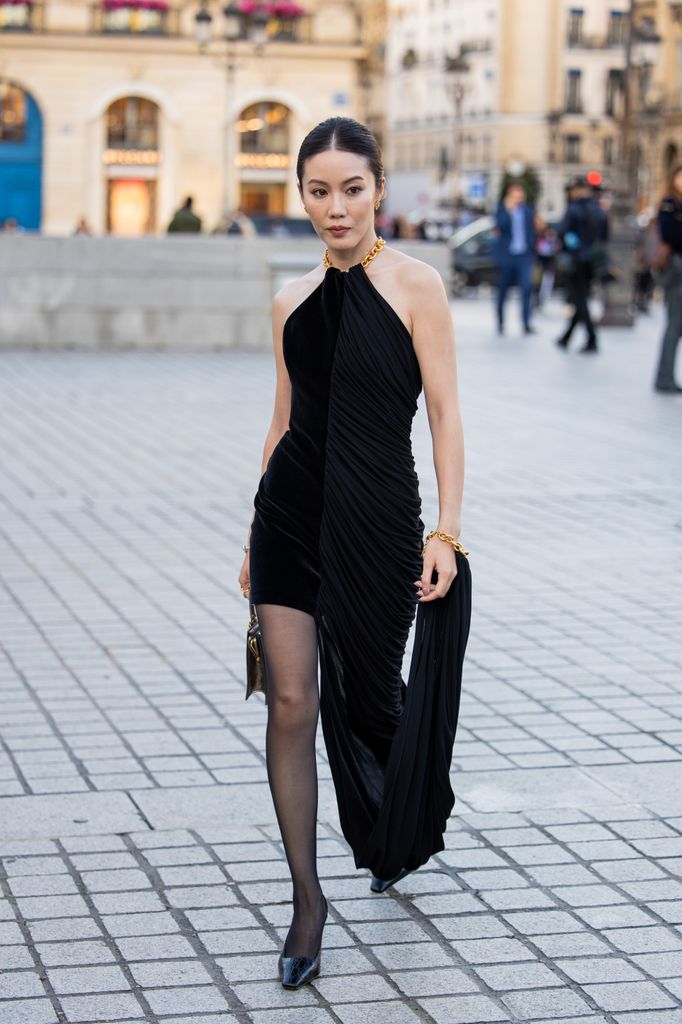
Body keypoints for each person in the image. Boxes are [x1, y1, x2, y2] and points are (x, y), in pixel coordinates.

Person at [238, 116, 472, 990]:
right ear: (301, 194)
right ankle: (308, 900)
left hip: (378, 523)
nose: (334, 207)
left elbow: (446, 415)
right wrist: (250, 540)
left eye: (351, 188)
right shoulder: (288, 299)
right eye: (317, 190)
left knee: (373, 697)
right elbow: (282, 424)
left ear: (379, 189)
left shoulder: (418, 286)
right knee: (292, 701)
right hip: (291, 518)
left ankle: (391, 824)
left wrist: (445, 530)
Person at [556, 177, 609, 353]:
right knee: (582, 298)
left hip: (576, 260)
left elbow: (564, 233)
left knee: (580, 300)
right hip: (592, 261)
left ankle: (592, 338)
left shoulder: (574, 209)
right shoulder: (600, 210)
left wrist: (572, 246)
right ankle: (566, 337)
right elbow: (605, 236)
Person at [493, 182, 537, 335]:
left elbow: (532, 230)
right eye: (514, 195)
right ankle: (500, 323)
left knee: (526, 289)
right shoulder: (502, 209)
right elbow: (499, 226)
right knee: (502, 291)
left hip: (524, 256)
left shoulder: (528, 210)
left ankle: (526, 323)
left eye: (520, 195)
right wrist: (508, 210)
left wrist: (532, 249)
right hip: (507, 256)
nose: (518, 198)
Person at [653, 164, 682, 394]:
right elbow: (670, 234)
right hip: (677, 269)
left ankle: (667, 376)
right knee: (674, 325)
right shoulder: (669, 204)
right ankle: (664, 378)